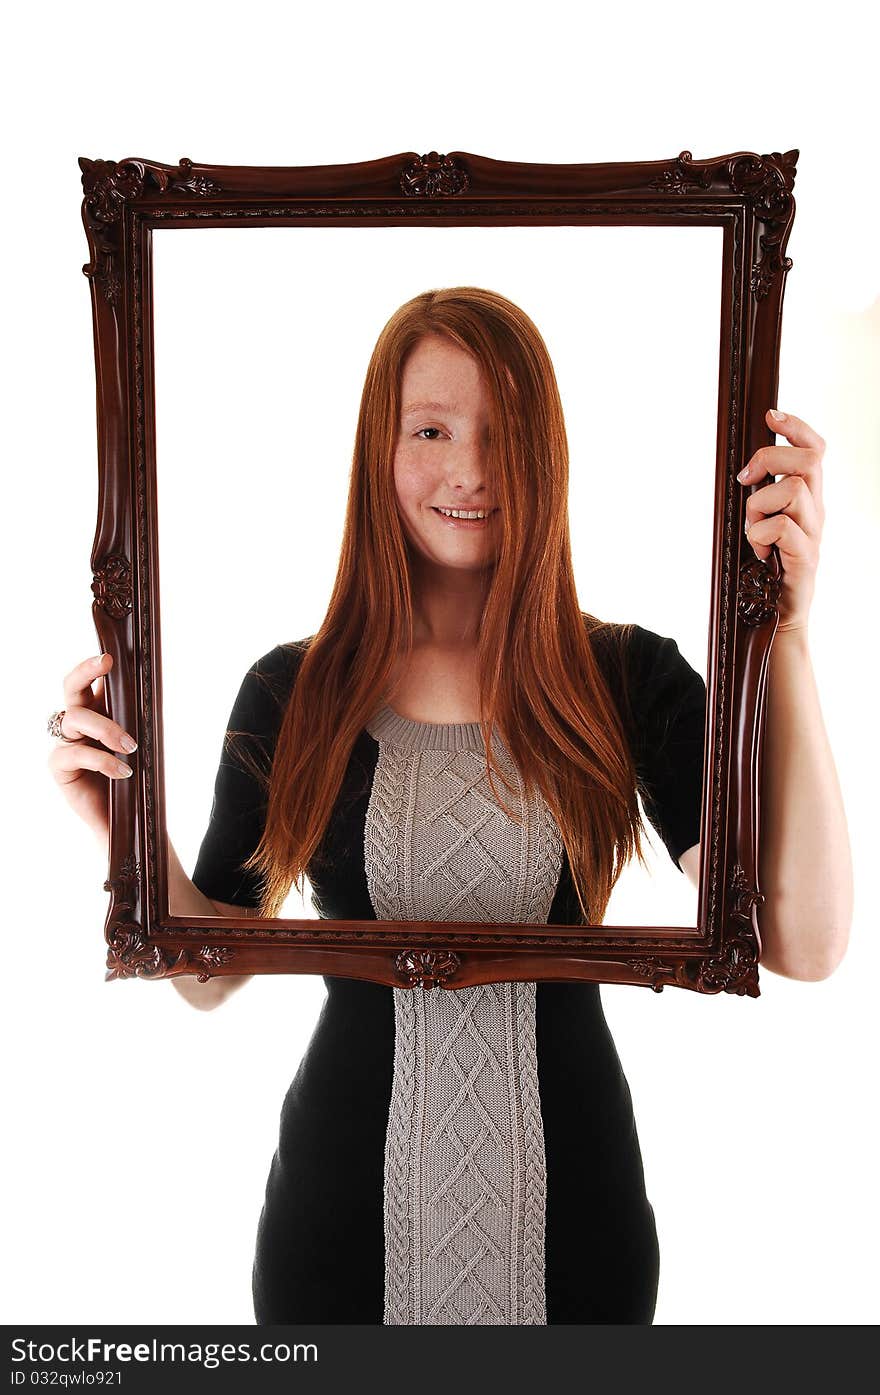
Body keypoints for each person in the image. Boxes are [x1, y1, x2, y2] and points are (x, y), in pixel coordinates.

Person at [48, 287, 852, 1325]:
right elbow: (211, 976)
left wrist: (783, 634)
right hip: (335, 1231)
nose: (470, 471)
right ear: (377, 453)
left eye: (504, 432)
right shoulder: (292, 692)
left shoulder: (626, 678)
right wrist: (121, 831)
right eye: (430, 430)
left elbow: (803, 940)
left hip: (579, 1229)